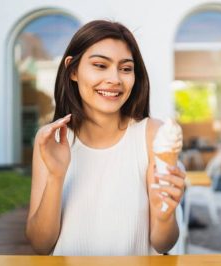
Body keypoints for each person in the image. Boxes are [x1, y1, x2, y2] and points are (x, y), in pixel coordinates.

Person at [25, 20, 186, 256]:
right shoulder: (51, 138)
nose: (115, 79)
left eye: (126, 68)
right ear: (72, 71)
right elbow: (41, 245)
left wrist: (164, 217)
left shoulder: (153, 135)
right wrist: (56, 176)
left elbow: (164, 244)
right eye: (100, 65)